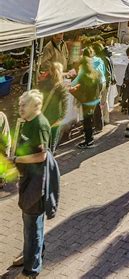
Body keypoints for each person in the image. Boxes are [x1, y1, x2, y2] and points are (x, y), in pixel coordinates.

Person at [13, 90, 52, 278]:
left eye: (23, 106)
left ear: (35, 107)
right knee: (31, 225)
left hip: (36, 184)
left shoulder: (40, 125)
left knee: (32, 226)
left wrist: (19, 160)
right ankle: (32, 253)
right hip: (27, 180)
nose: (19, 108)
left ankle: (31, 270)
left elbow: (42, 155)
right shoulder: (28, 121)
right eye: (20, 105)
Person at [70, 55, 103, 148]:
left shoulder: (84, 75)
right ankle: (90, 138)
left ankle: (89, 141)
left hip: (88, 101)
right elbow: (100, 85)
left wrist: (73, 92)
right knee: (90, 120)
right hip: (95, 99)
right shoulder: (96, 72)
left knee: (87, 121)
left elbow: (82, 91)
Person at [38, 62, 68, 153]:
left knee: (42, 138)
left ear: (50, 71)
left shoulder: (42, 82)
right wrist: (63, 116)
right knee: (53, 139)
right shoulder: (61, 86)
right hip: (55, 116)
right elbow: (65, 103)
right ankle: (50, 156)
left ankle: (42, 156)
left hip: (43, 114)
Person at [91, 41, 116, 125]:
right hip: (106, 82)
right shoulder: (106, 55)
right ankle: (105, 119)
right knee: (104, 102)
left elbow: (107, 73)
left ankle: (104, 119)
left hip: (104, 83)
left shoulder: (102, 58)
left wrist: (107, 84)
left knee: (103, 102)